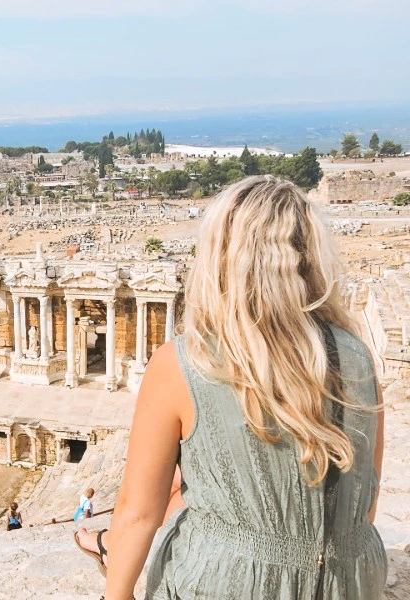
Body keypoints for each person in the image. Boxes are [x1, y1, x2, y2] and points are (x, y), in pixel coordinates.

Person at [75, 176, 387, 599]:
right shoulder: (358, 356)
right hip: (350, 581)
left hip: (228, 582)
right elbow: (366, 498)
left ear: (219, 256)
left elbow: (137, 513)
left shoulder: (184, 362)